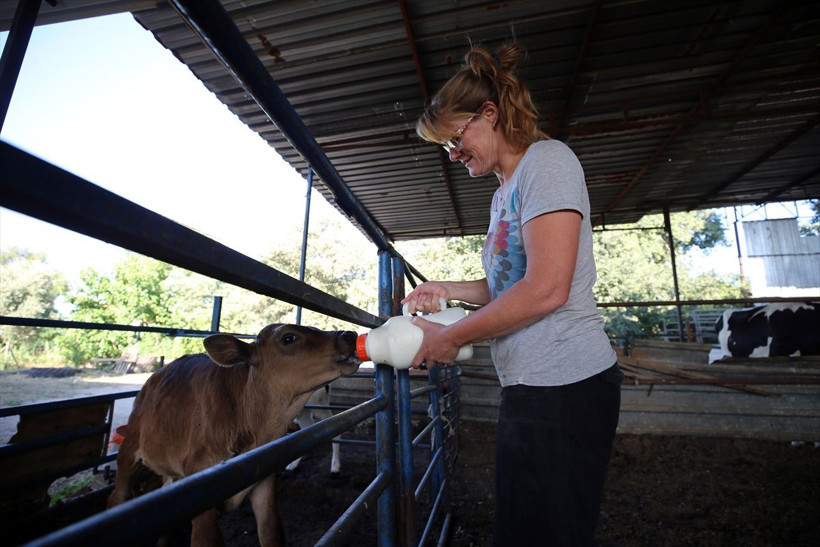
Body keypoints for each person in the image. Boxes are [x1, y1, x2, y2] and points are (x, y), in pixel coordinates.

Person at [402, 42, 623, 546]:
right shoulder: (505, 191)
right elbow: (510, 283)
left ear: (490, 114)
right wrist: (448, 289)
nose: (454, 154)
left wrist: (449, 338)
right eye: (446, 147)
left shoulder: (548, 162)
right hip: (531, 382)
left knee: (546, 533)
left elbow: (546, 288)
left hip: (567, 383)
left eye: (456, 139)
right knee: (522, 528)